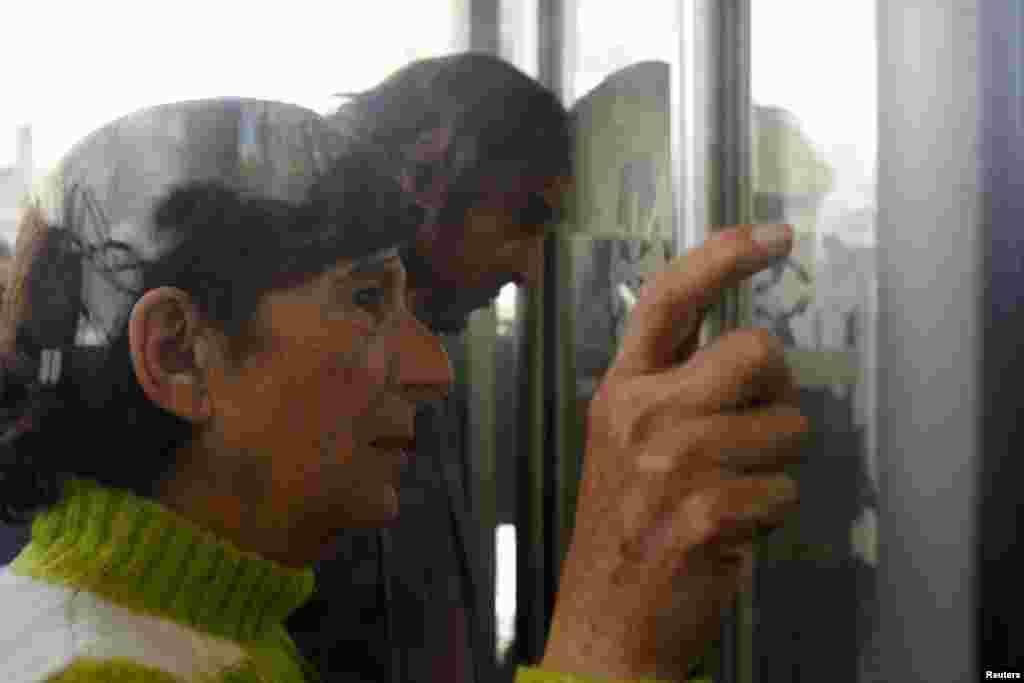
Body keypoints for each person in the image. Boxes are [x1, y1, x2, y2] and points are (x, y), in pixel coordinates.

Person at [0, 97, 805, 683]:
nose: (435, 368)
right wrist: (602, 652)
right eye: (365, 298)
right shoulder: (102, 670)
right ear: (178, 355)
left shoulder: (214, 630)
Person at [288, 52, 807, 683]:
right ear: (431, 175)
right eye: (522, 220)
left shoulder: (441, 369)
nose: (529, 271)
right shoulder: (296, 393)